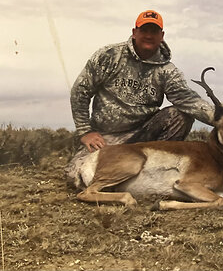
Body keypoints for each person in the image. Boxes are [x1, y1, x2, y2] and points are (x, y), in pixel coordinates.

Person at [66, 10, 214, 189]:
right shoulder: (109, 56)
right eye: (144, 30)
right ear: (134, 32)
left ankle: (156, 173)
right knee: (75, 178)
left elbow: (189, 101)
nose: (149, 36)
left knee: (179, 116)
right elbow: (80, 90)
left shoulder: (168, 71)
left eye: (154, 31)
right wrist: (85, 131)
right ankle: (127, 177)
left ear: (162, 36)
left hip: (144, 137)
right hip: (106, 138)